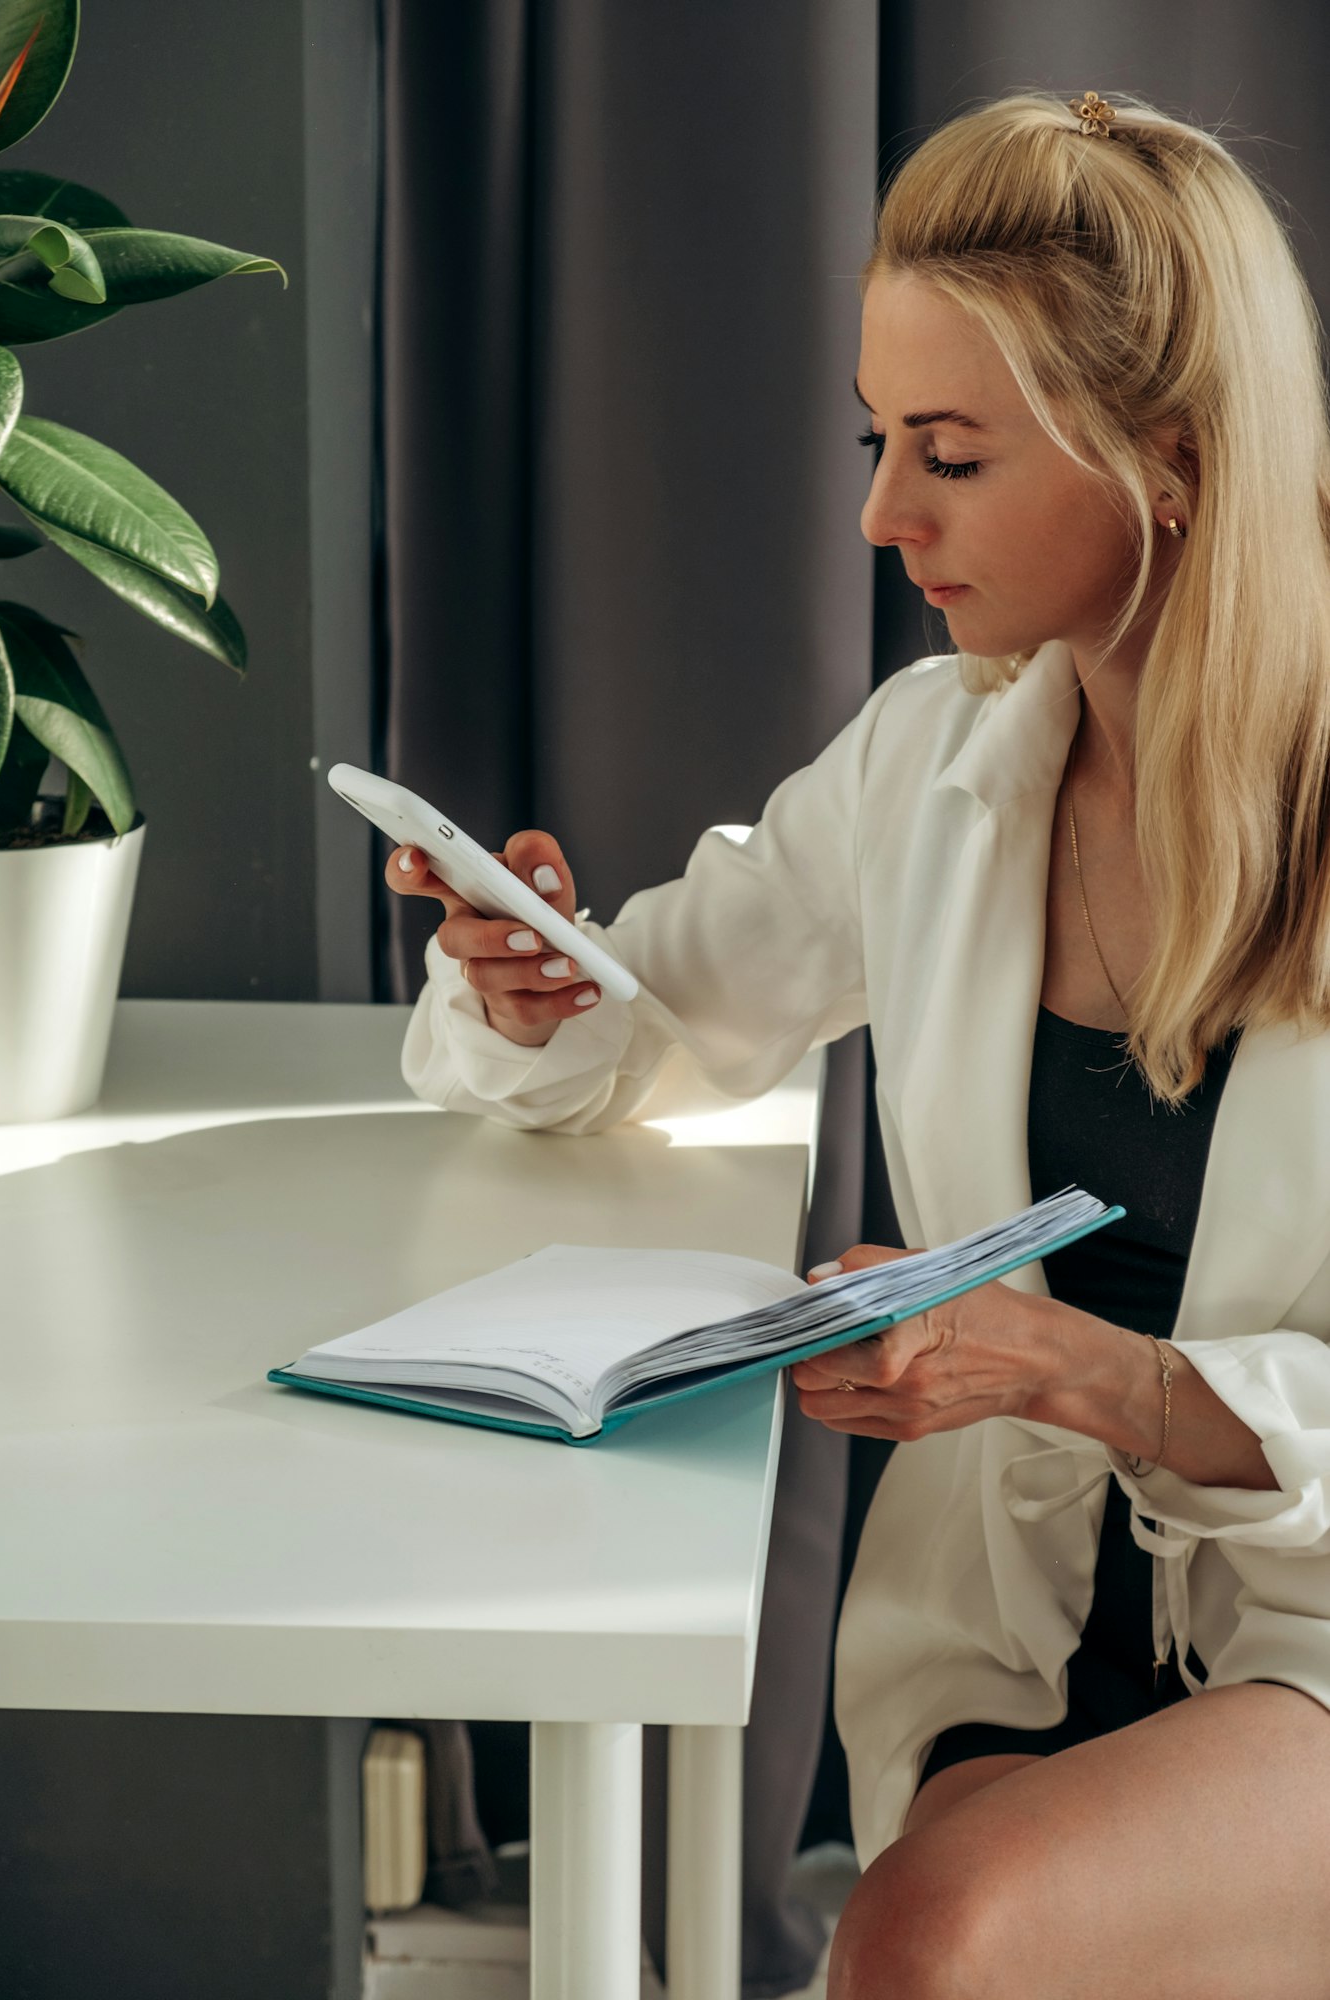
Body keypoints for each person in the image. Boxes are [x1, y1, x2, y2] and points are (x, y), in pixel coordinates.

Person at [389, 87, 1330, 1997]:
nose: (880, 517)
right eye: (875, 438)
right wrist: (534, 981)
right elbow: (653, 1030)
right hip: (1017, 1646)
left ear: (1165, 456)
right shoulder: (936, 762)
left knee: (923, 1938)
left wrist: (1095, 1376)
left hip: (1305, 1645)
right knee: (926, 1928)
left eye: (950, 456)